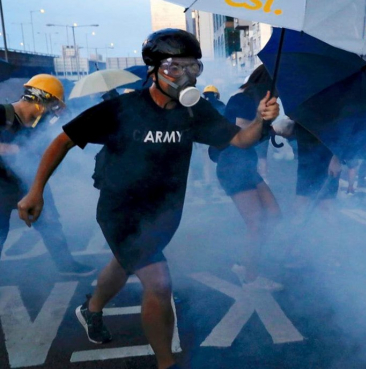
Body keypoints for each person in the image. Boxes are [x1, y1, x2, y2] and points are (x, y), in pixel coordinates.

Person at [17, 29, 279, 369]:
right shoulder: (123, 109)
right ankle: (167, 362)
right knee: (158, 282)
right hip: (120, 210)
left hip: (165, 212)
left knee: (125, 263)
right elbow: (63, 140)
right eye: (174, 68)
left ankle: (91, 307)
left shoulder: (194, 111)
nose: (184, 77)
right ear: (153, 69)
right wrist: (35, 190)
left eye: (192, 68)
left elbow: (240, 140)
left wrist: (262, 120)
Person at [0, 74, 94, 276]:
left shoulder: (38, 124)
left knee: (50, 221)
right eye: (52, 105)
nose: (52, 111)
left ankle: (66, 265)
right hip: (1, 185)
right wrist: (6, 148)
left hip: (28, 180)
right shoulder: (2, 113)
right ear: (40, 103)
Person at [212, 65, 282, 290]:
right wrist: (267, 125)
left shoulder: (257, 102)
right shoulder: (242, 100)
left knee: (273, 214)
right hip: (233, 165)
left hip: (246, 167)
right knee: (256, 222)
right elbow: (241, 135)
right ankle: (250, 276)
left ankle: (247, 261)